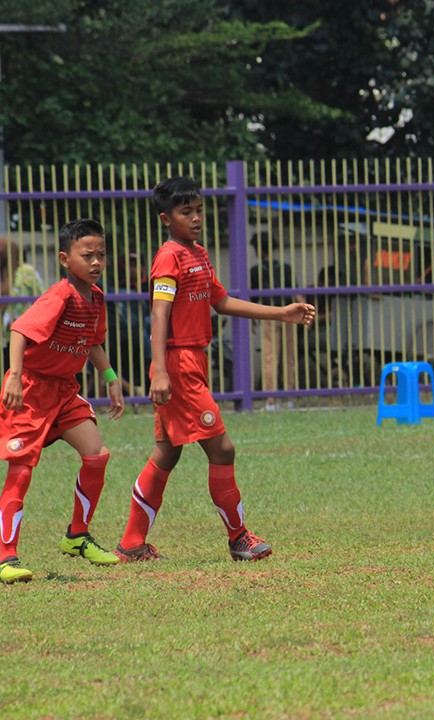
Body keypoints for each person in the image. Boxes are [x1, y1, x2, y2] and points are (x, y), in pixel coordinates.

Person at [115, 177, 316, 563]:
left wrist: (282, 313)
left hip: (193, 361)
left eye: (199, 210)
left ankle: (131, 543)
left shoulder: (199, 255)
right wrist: (160, 370)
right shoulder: (169, 257)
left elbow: (221, 302)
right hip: (178, 365)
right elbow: (159, 314)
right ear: (166, 219)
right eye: (185, 212)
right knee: (222, 449)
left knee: (167, 453)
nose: (196, 218)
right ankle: (239, 538)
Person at [0, 219, 125, 584]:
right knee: (21, 470)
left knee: (96, 455)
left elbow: (93, 343)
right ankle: (6, 557)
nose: (96, 262)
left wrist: (112, 379)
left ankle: (77, 536)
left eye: (101, 254)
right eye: (87, 255)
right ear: (65, 259)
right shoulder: (59, 296)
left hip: (64, 391)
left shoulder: (96, 298)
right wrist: (14, 376)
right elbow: (19, 330)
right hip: (31, 390)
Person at [249, 231, 305, 410]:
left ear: (259, 250)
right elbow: (296, 294)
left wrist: (253, 320)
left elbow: (253, 299)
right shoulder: (285, 268)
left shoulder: (256, 271)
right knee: (290, 357)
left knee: (270, 358)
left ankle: (271, 399)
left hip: (269, 315)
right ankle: (290, 397)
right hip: (288, 314)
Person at [103, 251, 151, 396]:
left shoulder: (149, 285)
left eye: (135, 265)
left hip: (144, 330)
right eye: (129, 265)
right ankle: (130, 389)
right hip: (121, 330)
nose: (132, 269)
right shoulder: (118, 286)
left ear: (143, 267)